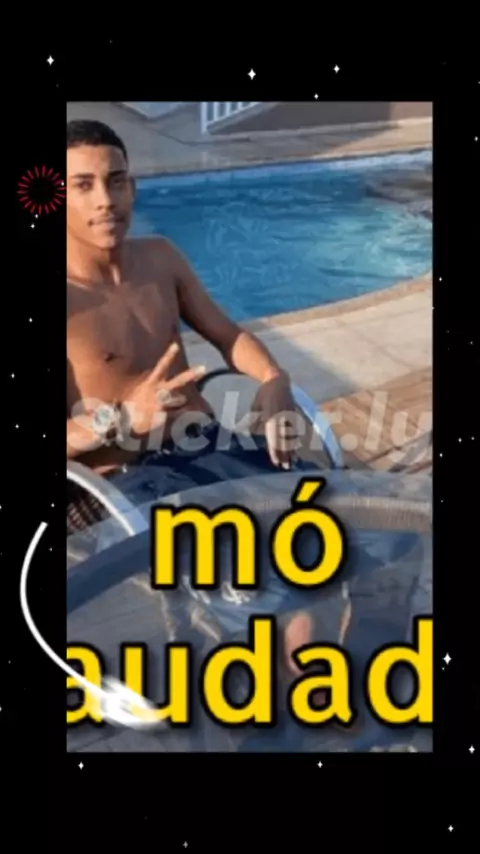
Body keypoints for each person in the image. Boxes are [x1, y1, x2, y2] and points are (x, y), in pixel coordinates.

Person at [66, 119, 320, 687]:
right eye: (83, 185)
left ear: (133, 187)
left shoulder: (160, 258)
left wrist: (273, 378)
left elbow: (229, 335)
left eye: (116, 180)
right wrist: (121, 419)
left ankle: (303, 680)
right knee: (262, 576)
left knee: (335, 527)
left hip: (211, 451)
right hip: (129, 484)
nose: (105, 200)